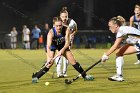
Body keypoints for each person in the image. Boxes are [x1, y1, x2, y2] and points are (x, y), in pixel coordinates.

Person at [32, 17, 93, 83]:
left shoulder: (66, 29)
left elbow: (67, 43)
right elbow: (48, 46)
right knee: (49, 63)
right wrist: (49, 56)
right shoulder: (51, 33)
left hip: (62, 46)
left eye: (60, 25)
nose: (58, 27)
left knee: (73, 61)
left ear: (62, 24)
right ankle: (36, 77)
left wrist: (62, 50)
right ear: (54, 25)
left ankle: (85, 76)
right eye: (57, 26)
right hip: (53, 46)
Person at [101, 16, 140, 82]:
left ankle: (119, 76)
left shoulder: (121, 31)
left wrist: (106, 55)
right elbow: (119, 45)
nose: (109, 28)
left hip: (138, 44)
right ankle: (119, 76)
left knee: (119, 53)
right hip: (136, 44)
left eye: (110, 26)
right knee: (119, 53)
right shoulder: (122, 30)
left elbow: (115, 46)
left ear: (116, 25)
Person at [55, 7, 78, 77]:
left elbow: (76, 29)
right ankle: (59, 73)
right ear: (60, 17)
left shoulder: (72, 22)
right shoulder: (57, 22)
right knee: (59, 55)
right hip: (60, 39)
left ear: (68, 16)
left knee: (67, 55)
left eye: (66, 16)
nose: (64, 18)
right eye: (62, 17)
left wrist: (72, 34)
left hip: (68, 40)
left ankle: (64, 72)